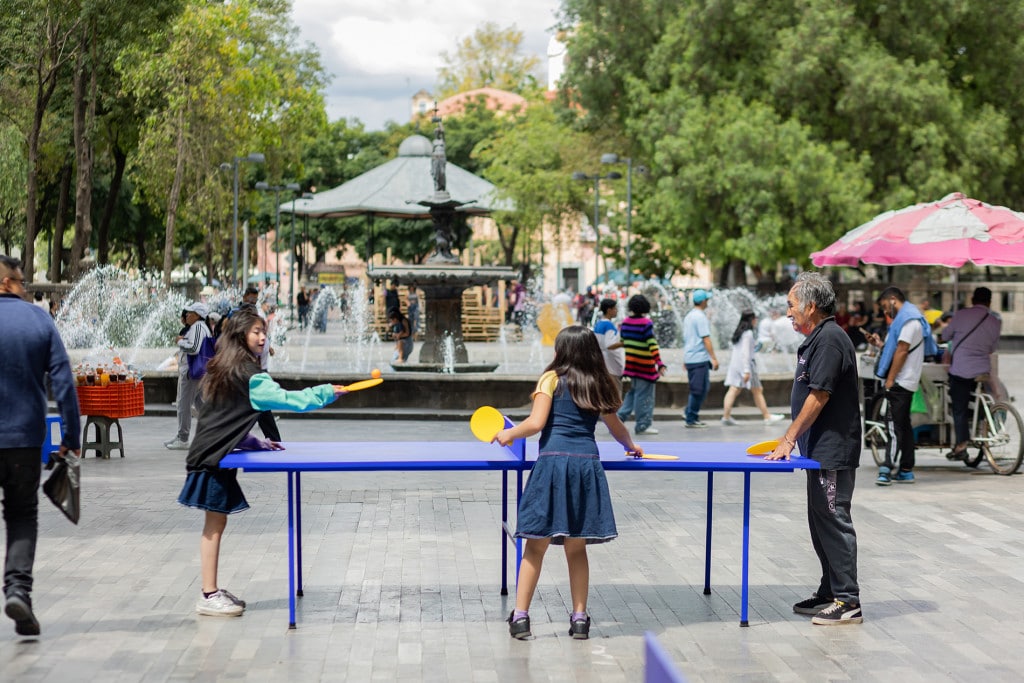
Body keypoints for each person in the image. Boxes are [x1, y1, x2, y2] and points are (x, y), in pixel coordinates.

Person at [178, 307, 345, 616]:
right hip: (212, 459)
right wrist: (325, 392)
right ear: (240, 335)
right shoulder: (251, 376)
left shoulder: (227, 369)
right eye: (256, 332)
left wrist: (257, 442)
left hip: (213, 454)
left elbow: (226, 420)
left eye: (264, 332)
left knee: (216, 522)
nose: (263, 337)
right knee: (214, 525)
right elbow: (289, 400)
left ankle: (211, 590)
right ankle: (208, 594)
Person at [494, 326, 642, 640]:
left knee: (535, 546)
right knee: (576, 548)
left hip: (552, 465)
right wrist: (630, 445)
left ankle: (520, 617)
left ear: (562, 352)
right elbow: (615, 426)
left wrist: (509, 433)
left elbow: (536, 423)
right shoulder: (599, 383)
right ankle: (580, 619)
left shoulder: (550, 379)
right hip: (586, 467)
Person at [766, 271, 863, 626]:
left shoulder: (830, 340)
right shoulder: (819, 339)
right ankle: (829, 591)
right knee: (819, 518)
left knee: (833, 518)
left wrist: (789, 437)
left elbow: (819, 395)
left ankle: (847, 600)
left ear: (810, 306)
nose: (788, 312)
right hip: (817, 451)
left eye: (791, 305)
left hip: (832, 450)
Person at [0, 255, 81, 636]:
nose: (25, 289)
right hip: (24, 440)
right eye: (21, 282)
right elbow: (63, 383)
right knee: (20, 514)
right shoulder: (39, 321)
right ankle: (18, 590)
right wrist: (71, 438)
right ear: (6, 283)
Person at [863, 287, 938, 485]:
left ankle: (886, 468)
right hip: (905, 380)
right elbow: (896, 348)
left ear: (893, 300)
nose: (885, 312)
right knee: (903, 425)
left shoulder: (909, 321)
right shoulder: (904, 321)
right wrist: (879, 344)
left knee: (892, 426)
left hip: (901, 381)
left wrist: (890, 379)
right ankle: (906, 469)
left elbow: (902, 351)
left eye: (885, 307)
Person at [941, 287, 1002, 461]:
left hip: (962, 369)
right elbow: (992, 348)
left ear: (973, 300)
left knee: (959, 407)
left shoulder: (961, 315)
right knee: (982, 399)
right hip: (983, 369)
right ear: (989, 302)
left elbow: (945, 336)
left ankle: (961, 445)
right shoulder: (995, 321)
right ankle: (983, 425)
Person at [720, 310, 785, 426]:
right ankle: (767, 416)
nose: (756, 321)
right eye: (755, 318)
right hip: (747, 366)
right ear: (751, 320)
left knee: (734, 390)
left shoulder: (739, 332)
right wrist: (746, 370)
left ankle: (726, 416)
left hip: (735, 365)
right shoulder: (748, 333)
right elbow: (745, 353)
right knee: (757, 390)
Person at [616, 294, 667, 435]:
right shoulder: (646, 323)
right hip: (645, 366)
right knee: (644, 396)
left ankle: (619, 418)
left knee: (633, 393)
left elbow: (623, 341)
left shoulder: (625, 323)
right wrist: (659, 363)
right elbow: (652, 344)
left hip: (631, 365)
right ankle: (643, 425)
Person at [165, 302, 211, 450]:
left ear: (197, 315)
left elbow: (194, 348)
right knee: (200, 405)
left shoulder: (198, 327)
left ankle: (183, 438)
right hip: (195, 372)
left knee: (183, 405)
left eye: (190, 313)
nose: (187, 315)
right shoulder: (199, 327)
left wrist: (180, 342)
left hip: (191, 372)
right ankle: (216, 431)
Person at [682, 289, 719, 428]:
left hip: (691, 357)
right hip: (699, 359)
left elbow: (688, 339)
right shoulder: (700, 317)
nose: (708, 302)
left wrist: (685, 358)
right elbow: (706, 339)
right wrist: (714, 358)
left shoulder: (689, 316)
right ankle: (691, 417)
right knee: (699, 390)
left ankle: (689, 412)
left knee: (699, 388)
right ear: (703, 301)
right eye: (707, 300)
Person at [593, 298, 625, 385]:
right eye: (615, 308)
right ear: (609, 310)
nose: (617, 311)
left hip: (602, 363)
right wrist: (624, 344)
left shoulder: (598, 324)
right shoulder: (608, 325)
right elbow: (610, 345)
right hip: (611, 365)